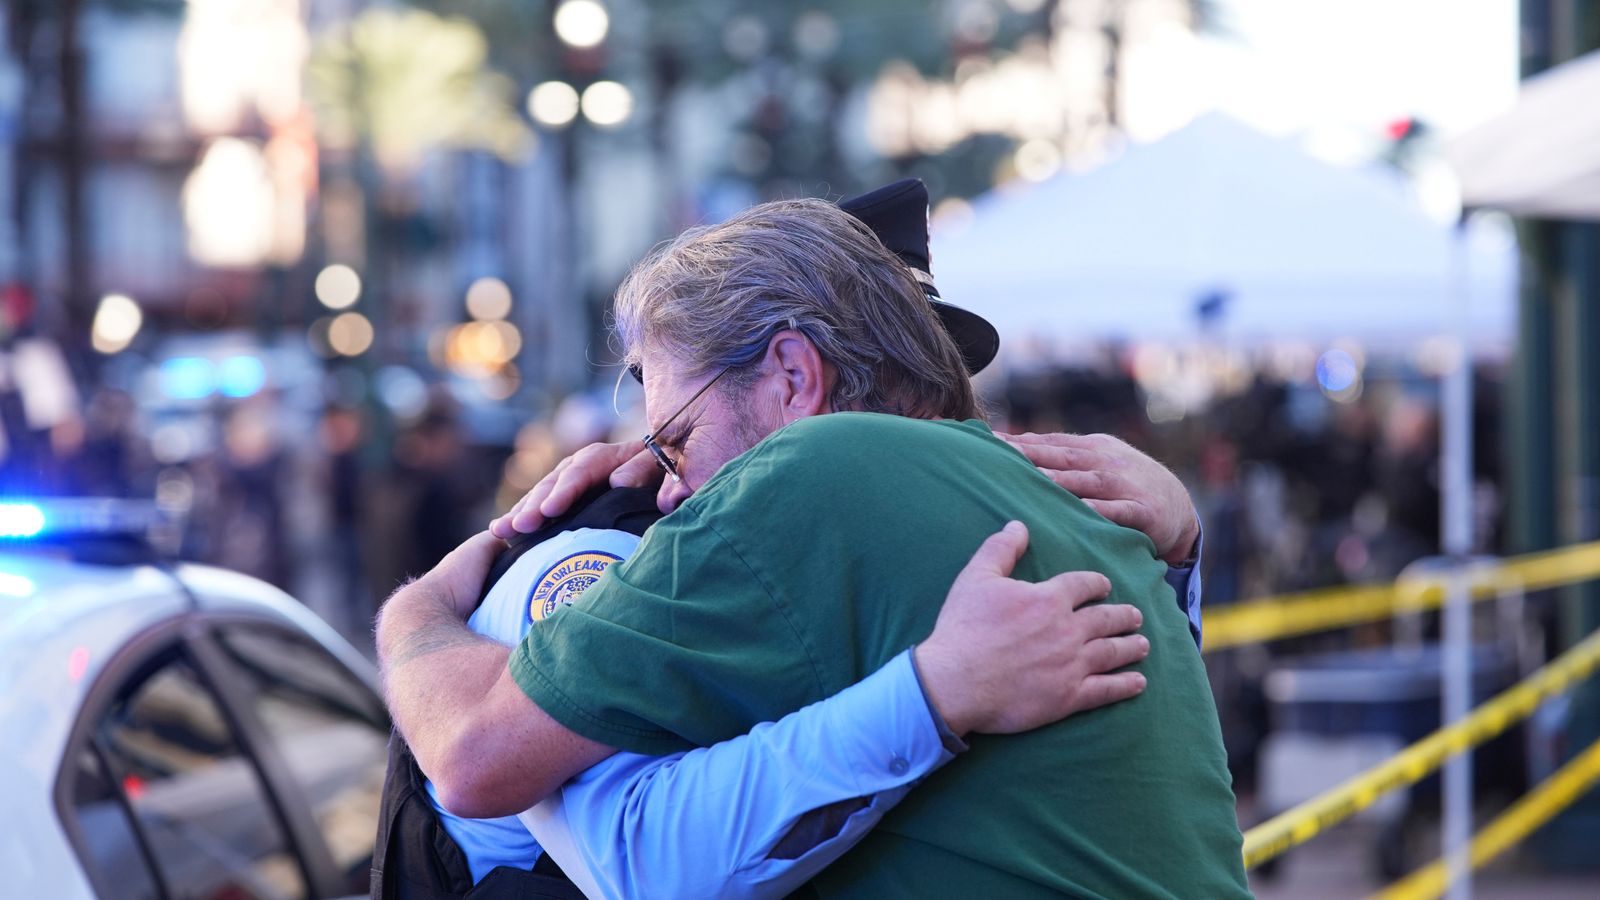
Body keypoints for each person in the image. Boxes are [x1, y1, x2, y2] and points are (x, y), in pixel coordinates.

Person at [379, 200, 1246, 897]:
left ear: (794, 375)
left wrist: (414, 608)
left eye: (675, 437)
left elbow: (480, 763)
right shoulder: (1090, 506)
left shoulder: (817, 465)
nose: (671, 487)